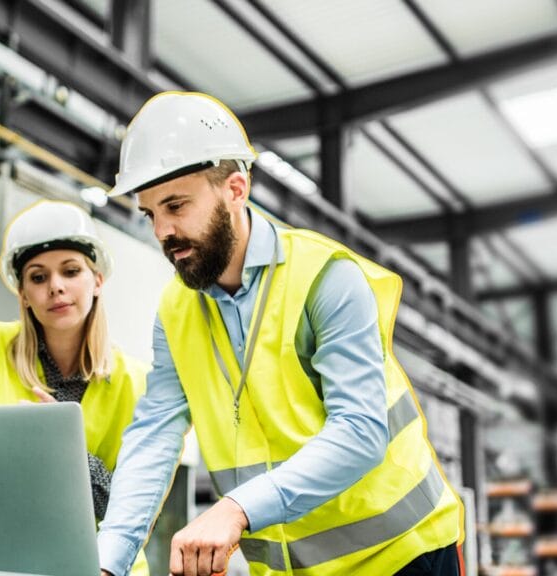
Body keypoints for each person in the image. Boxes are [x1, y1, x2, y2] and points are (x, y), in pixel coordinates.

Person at [95, 92, 464, 576]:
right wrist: (106, 562)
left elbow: (361, 430)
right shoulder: (176, 311)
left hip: (403, 556)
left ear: (235, 189)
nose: (163, 231)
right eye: (150, 214)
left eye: (176, 206)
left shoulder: (325, 278)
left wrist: (235, 509)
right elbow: (153, 437)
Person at [0, 200, 149, 576]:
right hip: (0, 560)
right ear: (23, 293)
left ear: (97, 280)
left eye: (71, 271)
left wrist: (59, 446)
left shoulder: (137, 382)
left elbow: (129, 506)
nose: (56, 287)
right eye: (38, 277)